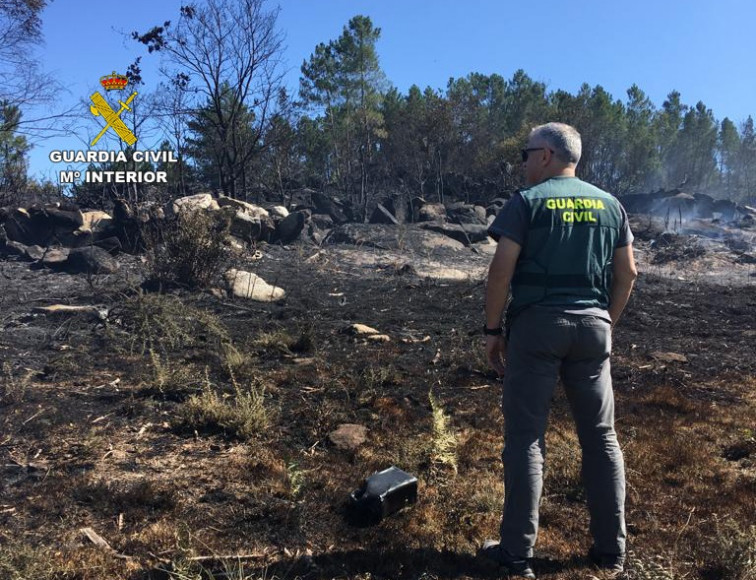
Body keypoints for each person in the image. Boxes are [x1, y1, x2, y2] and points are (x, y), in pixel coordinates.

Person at [479, 122, 637, 579]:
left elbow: (500, 272)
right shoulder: (611, 205)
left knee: (526, 439)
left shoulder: (527, 203)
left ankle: (516, 556)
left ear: (546, 155)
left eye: (527, 153)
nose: (523, 162)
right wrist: (606, 320)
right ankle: (611, 553)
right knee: (602, 439)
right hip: (593, 329)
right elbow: (627, 274)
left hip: (537, 329)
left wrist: (492, 329)